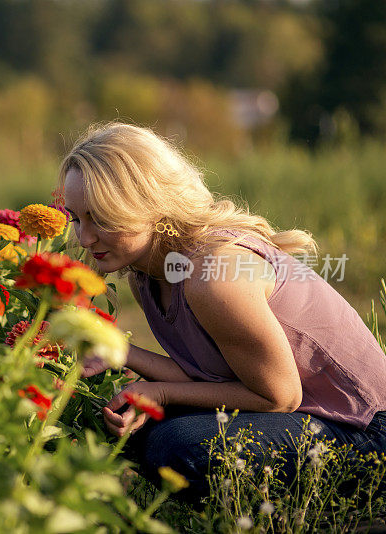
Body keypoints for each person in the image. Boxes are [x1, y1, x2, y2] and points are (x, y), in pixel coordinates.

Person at [59, 122, 386, 498]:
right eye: (77, 218)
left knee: (180, 446)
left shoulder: (213, 276)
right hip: (303, 414)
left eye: (100, 217)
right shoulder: (149, 272)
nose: (84, 237)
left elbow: (279, 396)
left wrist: (160, 392)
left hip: (366, 431)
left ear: (146, 203)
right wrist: (120, 352)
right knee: (126, 423)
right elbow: (208, 375)